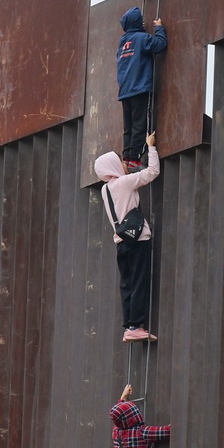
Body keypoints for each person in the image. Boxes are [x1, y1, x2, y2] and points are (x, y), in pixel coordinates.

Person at [94, 135, 160, 342]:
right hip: (138, 239)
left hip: (121, 242)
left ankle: (129, 327)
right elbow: (152, 172)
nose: (124, 164)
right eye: (120, 161)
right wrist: (151, 148)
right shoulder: (124, 183)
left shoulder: (105, 189)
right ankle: (135, 326)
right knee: (140, 281)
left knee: (128, 284)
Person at [116, 7, 167, 171]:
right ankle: (135, 158)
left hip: (125, 91)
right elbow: (160, 44)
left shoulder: (123, 42)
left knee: (128, 127)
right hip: (139, 88)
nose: (144, 22)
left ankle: (127, 157)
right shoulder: (142, 38)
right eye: (141, 20)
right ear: (137, 22)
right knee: (139, 124)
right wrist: (159, 27)